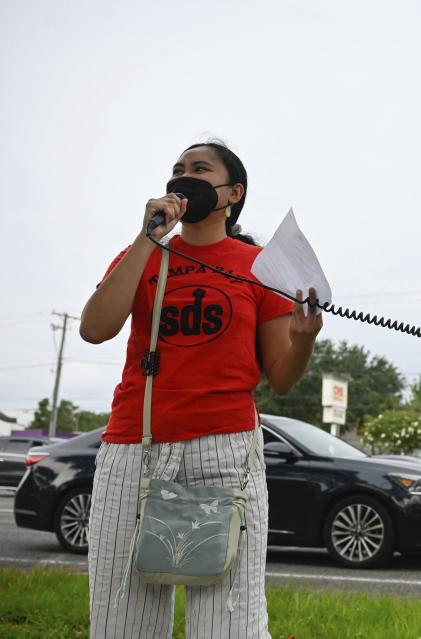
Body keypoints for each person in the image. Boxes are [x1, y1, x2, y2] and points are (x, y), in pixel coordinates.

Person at [79, 141, 322, 638]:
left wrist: (302, 342)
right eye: (176, 169)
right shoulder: (141, 253)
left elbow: (281, 376)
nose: (182, 176)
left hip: (225, 451)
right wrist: (146, 239)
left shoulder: (260, 266)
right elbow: (94, 328)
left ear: (233, 193)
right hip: (135, 445)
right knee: (121, 615)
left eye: (199, 168)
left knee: (228, 618)